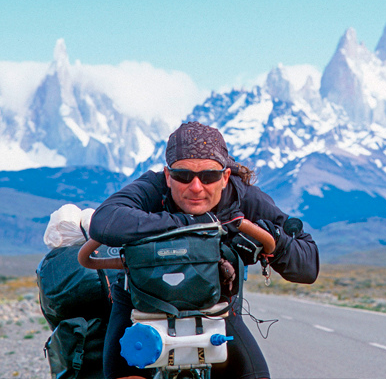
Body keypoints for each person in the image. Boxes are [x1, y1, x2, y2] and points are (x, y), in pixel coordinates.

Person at [89, 121, 320, 379]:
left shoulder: (243, 197)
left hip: (217, 309)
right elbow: (104, 221)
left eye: (209, 176)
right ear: (168, 175)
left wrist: (273, 240)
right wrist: (199, 224)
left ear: (225, 177)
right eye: (183, 176)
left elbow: (308, 267)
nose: (196, 187)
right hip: (140, 308)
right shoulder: (154, 188)